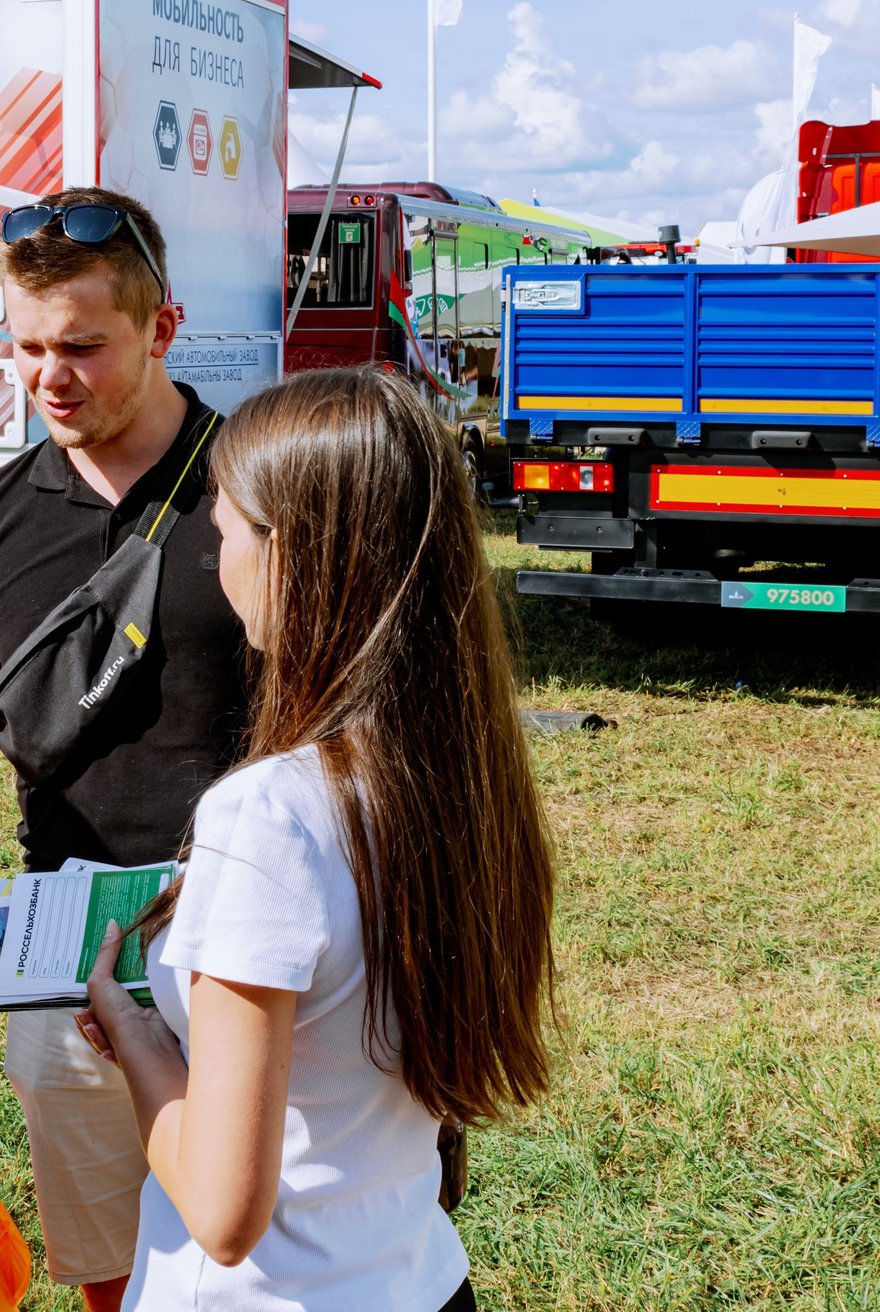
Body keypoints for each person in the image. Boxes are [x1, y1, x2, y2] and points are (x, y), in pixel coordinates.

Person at [75, 367, 559, 1312]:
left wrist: (133, 1033)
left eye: (224, 532)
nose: (214, 560)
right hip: (420, 1279)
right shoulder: (460, 779)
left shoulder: (268, 817)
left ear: (290, 555)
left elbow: (224, 1214)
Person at [0, 187, 250, 1310]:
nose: (50, 377)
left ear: (162, 327)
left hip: (245, 940)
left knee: (259, 1259)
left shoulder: (259, 490)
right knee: (111, 1275)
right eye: (27, 347)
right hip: (65, 956)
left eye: (84, 347)